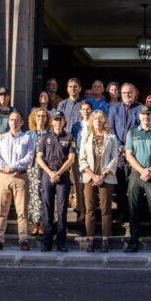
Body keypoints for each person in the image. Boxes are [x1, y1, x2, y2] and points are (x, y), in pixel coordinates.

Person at [124, 105, 151, 253]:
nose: (146, 117)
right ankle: (133, 242)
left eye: (148, 114)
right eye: (143, 115)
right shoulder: (132, 133)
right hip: (136, 175)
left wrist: (149, 170)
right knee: (133, 210)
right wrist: (142, 170)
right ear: (139, 117)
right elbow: (128, 154)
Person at [0, 110, 35, 251]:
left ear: (22, 122)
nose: (14, 122)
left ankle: (23, 240)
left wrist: (13, 166)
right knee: (1, 210)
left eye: (17, 120)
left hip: (20, 177)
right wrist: (5, 167)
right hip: (4, 176)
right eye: (11, 120)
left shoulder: (27, 139)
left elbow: (29, 157)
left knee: (21, 211)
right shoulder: (2, 138)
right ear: (8, 122)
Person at [78, 109, 118, 252]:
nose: (98, 121)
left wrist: (102, 176)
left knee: (106, 210)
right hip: (89, 177)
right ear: (91, 121)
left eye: (101, 118)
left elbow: (115, 158)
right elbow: (81, 158)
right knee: (89, 210)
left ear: (105, 121)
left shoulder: (111, 137)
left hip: (106, 178)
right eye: (95, 118)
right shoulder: (86, 136)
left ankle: (105, 240)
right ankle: (91, 240)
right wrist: (94, 176)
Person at [36, 111, 75, 252]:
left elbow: (71, 158)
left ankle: (61, 242)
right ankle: (47, 242)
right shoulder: (45, 137)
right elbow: (39, 157)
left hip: (62, 174)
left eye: (60, 120)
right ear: (52, 122)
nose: (57, 122)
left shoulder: (69, 137)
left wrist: (58, 173)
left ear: (64, 122)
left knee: (62, 210)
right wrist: (50, 172)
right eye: (55, 120)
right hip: (48, 173)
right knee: (47, 208)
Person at [108, 82, 143, 222]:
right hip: (119, 153)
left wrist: (129, 147)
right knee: (121, 185)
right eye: (124, 93)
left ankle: (135, 214)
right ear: (120, 95)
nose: (127, 95)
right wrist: (119, 146)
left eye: (130, 92)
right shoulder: (114, 109)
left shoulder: (141, 108)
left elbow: (142, 128)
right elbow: (110, 129)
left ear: (134, 94)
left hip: (135, 153)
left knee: (135, 186)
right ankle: (122, 213)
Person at [57, 78, 87, 216]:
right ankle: (64, 205)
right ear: (67, 89)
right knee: (63, 177)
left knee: (78, 178)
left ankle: (80, 207)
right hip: (63, 144)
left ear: (80, 88)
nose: (73, 89)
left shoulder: (84, 104)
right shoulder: (62, 104)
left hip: (79, 147)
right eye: (70, 87)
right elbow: (58, 124)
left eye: (75, 86)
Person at [26, 107, 51, 236]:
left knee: (44, 195)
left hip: (45, 168)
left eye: (43, 116)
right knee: (34, 196)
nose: (41, 118)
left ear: (47, 119)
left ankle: (43, 224)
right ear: (34, 118)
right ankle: (35, 225)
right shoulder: (28, 134)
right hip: (32, 168)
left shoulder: (50, 134)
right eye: (38, 116)